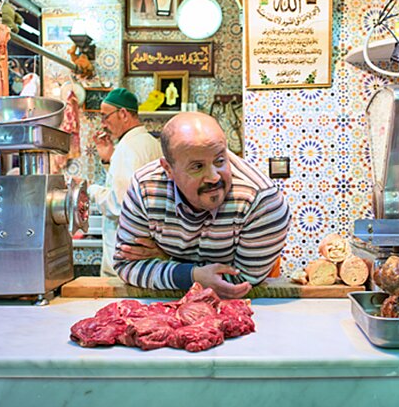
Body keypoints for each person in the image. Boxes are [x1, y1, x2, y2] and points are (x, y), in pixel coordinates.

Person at [112, 112, 291, 298]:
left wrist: (170, 262)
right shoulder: (145, 189)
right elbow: (126, 265)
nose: (214, 177)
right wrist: (192, 274)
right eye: (197, 166)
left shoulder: (262, 201)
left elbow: (240, 283)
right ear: (168, 169)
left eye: (220, 161)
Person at [87, 88, 162, 278]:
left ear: (123, 114)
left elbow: (119, 205)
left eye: (105, 117)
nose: (103, 124)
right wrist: (108, 160)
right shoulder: (150, 143)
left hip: (125, 255)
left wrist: (91, 190)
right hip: (145, 249)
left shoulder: (127, 149)